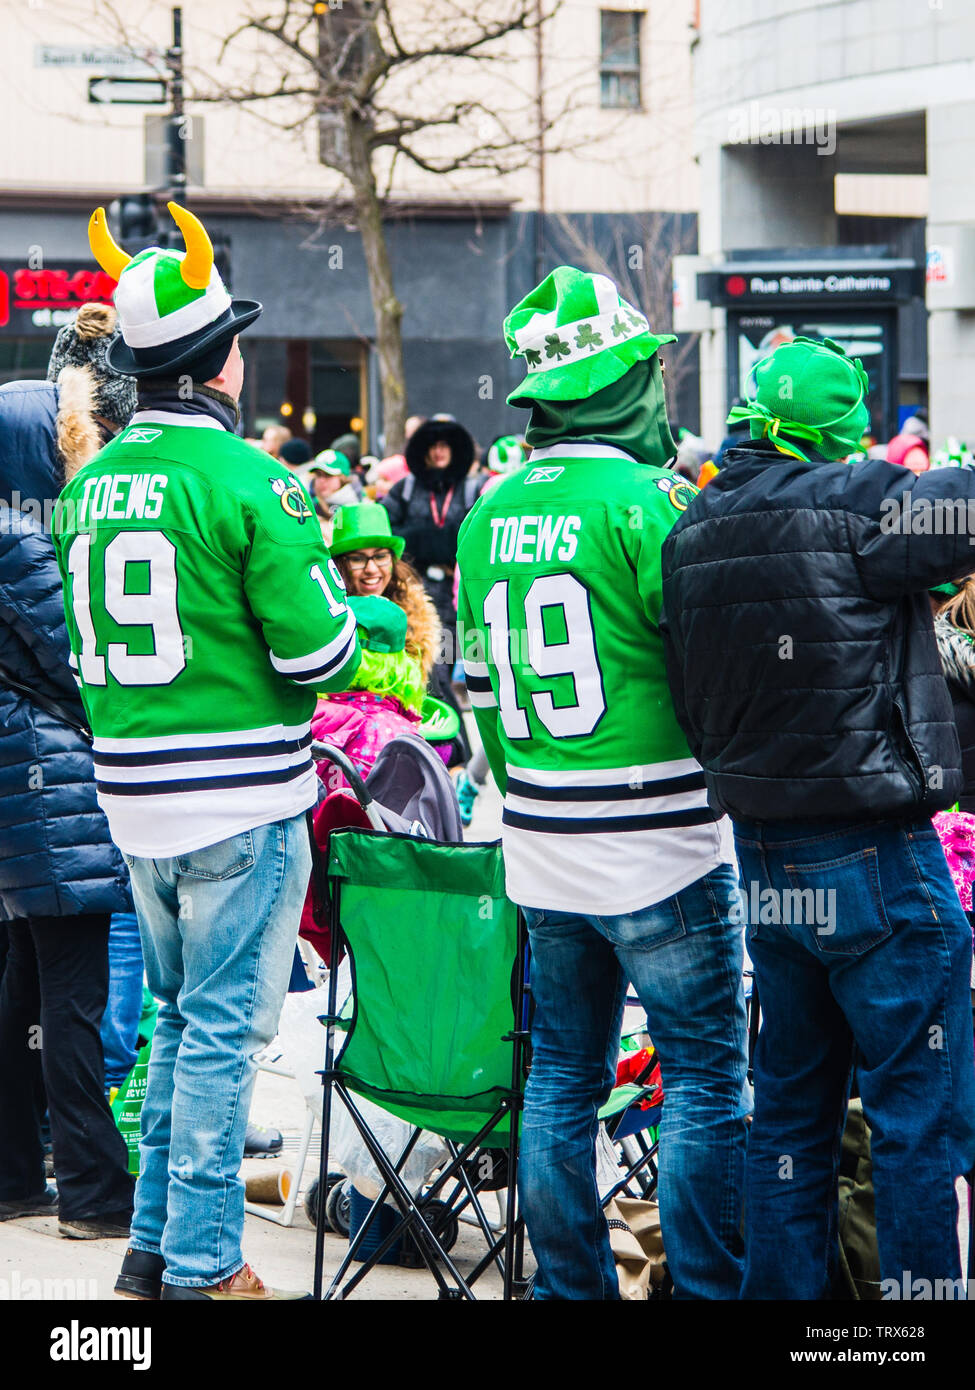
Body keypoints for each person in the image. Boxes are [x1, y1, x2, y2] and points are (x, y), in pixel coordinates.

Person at [55, 202, 361, 1302]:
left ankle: (151, 1248)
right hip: (240, 798)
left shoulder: (89, 482)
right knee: (223, 1037)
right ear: (217, 359)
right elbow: (323, 650)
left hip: (133, 798)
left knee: (181, 1026)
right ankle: (204, 1264)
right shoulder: (248, 478)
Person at [659, 335, 975, 1300]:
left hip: (765, 859)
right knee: (917, 1122)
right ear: (836, 430)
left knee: (791, 1117)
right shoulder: (859, 502)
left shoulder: (693, 527)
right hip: (875, 853)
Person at [457, 266, 749, 1301]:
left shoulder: (486, 512)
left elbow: (479, 695)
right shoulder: (653, 501)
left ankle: (567, 1292)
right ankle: (712, 1291)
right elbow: (712, 670)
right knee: (711, 1078)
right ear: (619, 383)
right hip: (662, 835)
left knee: (562, 1082)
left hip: (540, 836)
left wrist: (522, 788)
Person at [0, 302, 137, 1238]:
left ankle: (13, 1174)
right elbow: (83, 666)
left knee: (25, 993)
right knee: (73, 1001)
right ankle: (94, 1190)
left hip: (26, 795)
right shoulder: (21, 542)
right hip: (56, 800)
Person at [329, 502, 441, 686]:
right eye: (357, 559)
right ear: (340, 565)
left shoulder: (417, 619)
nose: (371, 569)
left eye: (380, 556)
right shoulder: (328, 620)